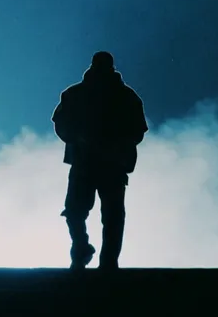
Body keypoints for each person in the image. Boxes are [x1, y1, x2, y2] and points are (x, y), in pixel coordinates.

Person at [52, 51, 147, 270]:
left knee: (103, 215)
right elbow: (61, 124)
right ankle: (87, 252)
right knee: (81, 212)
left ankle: (101, 260)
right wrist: (78, 138)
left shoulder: (122, 96)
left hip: (108, 163)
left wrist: (116, 145)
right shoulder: (122, 96)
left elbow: (137, 131)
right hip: (92, 162)